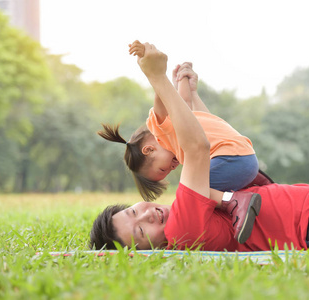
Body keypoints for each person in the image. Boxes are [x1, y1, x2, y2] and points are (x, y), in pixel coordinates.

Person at [90, 41, 309, 253]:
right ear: (149, 248)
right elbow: (197, 148)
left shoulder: (207, 199)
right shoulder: (182, 228)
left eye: (135, 211)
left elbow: (212, 138)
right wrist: (157, 78)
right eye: (140, 230)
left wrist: (190, 93)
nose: (148, 214)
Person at [97, 45, 273, 244]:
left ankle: (233, 202)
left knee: (189, 193)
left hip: (233, 159)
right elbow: (184, 100)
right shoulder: (185, 126)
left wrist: (154, 73)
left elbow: (164, 98)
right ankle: (235, 199)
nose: (173, 167)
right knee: (192, 191)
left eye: (163, 168)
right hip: (244, 155)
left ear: (149, 149)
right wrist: (183, 80)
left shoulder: (161, 127)